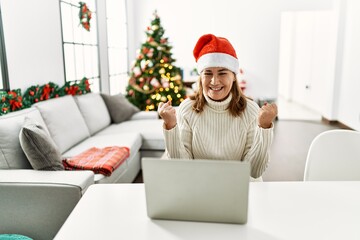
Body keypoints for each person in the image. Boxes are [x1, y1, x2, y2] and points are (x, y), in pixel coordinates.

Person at [157, 34, 278, 180]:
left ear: (233, 76)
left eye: (222, 73)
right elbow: (182, 166)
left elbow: (254, 171)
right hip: (200, 186)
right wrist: (170, 125)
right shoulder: (187, 109)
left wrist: (264, 127)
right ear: (200, 77)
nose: (214, 81)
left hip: (239, 187)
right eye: (208, 73)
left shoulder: (251, 110)